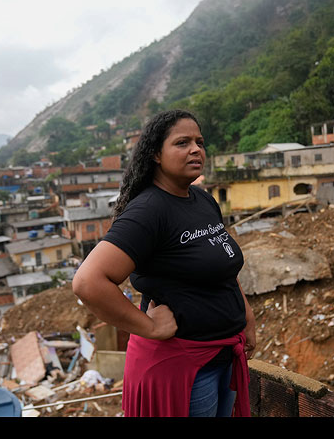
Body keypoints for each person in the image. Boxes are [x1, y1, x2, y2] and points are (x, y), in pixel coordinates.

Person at [73, 109, 256, 417]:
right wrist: (150, 327)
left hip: (224, 355)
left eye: (199, 141)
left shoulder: (203, 201)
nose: (196, 149)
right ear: (156, 154)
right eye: (182, 142)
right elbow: (88, 282)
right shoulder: (148, 211)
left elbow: (222, 267)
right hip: (184, 370)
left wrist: (246, 319)